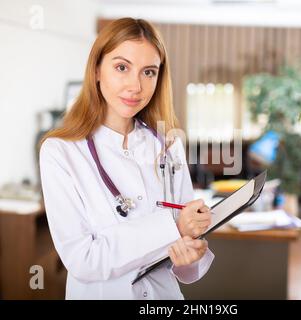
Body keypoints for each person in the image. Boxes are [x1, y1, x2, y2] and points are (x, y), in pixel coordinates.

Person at [39, 17, 214, 300]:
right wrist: (171, 228)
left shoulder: (169, 145)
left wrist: (191, 256)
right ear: (97, 70)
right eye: (122, 67)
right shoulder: (60, 152)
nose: (136, 86)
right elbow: (83, 260)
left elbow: (185, 260)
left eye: (148, 72)